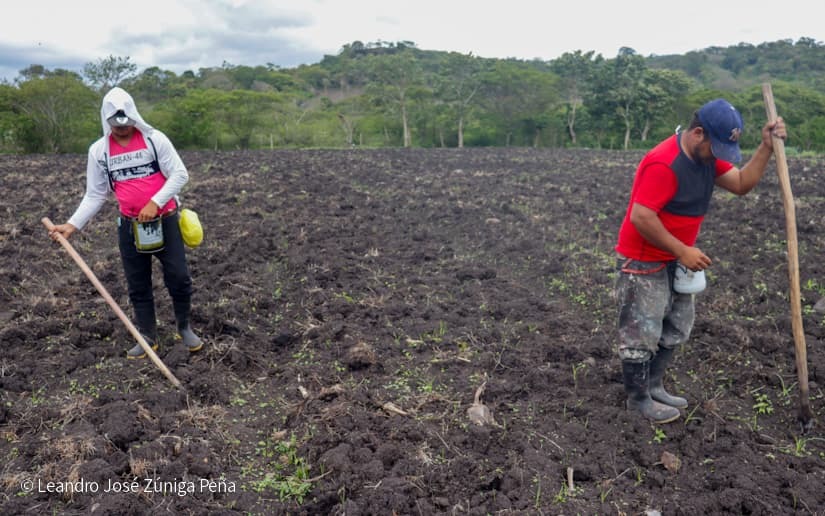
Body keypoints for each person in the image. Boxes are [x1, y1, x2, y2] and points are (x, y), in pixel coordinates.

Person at [614, 98, 786, 423]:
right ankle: (638, 400)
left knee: (677, 323)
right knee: (642, 327)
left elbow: (740, 184)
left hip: (676, 256)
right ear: (697, 134)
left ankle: (654, 385)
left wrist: (766, 148)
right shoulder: (664, 163)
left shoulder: (707, 157)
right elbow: (642, 217)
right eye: (716, 147)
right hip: (643, 258)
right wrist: (683, 250)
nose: (719, 157)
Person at [49, 87, 203, 359]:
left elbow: (179, 174)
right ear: (106, 120)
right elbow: (95, 194)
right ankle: (147, 336)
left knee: (179, 277)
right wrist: (72, 225)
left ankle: (184, 327)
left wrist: (155, 202)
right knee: (137, 283)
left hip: (165, 220)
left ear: (133, 117)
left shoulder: (155, 140)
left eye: (127, 124)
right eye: (115, 125)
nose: (122, 129)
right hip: (130, 227)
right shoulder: (99, 151)